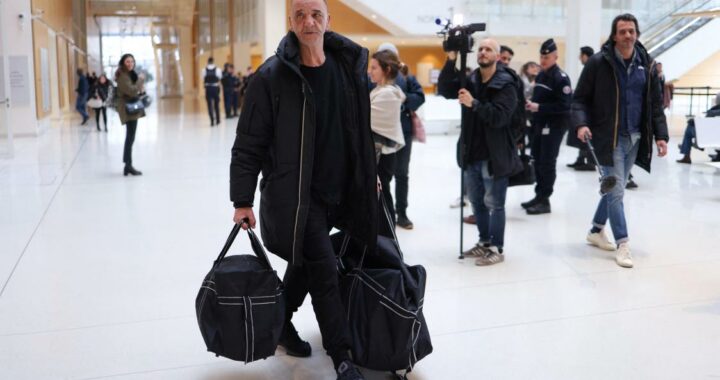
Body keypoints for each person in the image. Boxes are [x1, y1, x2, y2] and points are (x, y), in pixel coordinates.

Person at [229, 0, 377, 378]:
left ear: (329, 20)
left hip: (339, 190)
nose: (308, 21)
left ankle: (280, 326)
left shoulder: (347, 67)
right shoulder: (271, 78)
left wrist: (367, 172)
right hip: (296, 197)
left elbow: (358, 128)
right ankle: (341, 355)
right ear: (290, 22)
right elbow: (249, 143)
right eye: (300, 15)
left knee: (306, 263)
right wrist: (242, 199)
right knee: (324, 270)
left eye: (315, 14)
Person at [573, 13, 668, 268]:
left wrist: (661, 136)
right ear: (614, 36)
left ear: (636, 34)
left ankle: (595, 230)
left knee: (617, 188)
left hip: (636, 137)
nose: (628, 35)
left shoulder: (646, 64)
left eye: (632, 31)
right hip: (609, 137)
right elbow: (580, 98)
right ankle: (623, 243)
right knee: (616, 191)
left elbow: (656, 105)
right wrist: (581, 123)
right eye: (623, 31)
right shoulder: (598, 63)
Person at [438, 38, 520, 266]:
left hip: (494, 154)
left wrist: (474, 103)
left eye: (489, 49)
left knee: (495, 204)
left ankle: (497, 247)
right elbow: (444, 90)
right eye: (481, 49)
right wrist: (451, 59)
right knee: (477, 203)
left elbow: (501, 116)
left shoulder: (506, 83)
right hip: (471, 152)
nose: (483, 52)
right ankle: (484, 242)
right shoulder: (471, 78)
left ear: (497, 55)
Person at [376, 42, 425, 230]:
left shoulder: (407, 78)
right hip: (379, 136)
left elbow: (419, 97)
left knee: (402, 174)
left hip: (401, 134)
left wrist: (400, 103)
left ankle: (402, 213)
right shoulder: (372, 78)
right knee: (382, 176)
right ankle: (386, 213)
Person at [522, 39, 572, 215]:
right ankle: (539, 195)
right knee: (537, 159)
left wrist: (539, 107)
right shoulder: (541, 75)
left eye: (547, 57)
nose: (543, 60)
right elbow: (540, 98)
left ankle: (545, 200)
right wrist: (531, 105)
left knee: (547, 163)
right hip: (539, 125)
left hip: (554, 127)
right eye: (541, 56)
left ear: (555, 57)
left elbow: (565, 107)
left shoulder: (561, 79)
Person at [368, 49, 406, 225]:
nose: (370, 71)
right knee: (380, 198)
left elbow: (365, 119)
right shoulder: (382, 90)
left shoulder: (387, 94)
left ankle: (388, 240)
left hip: (381, 157)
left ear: (387, 70)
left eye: (374, 68)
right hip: (381, 155)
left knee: (382, 198)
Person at [115, 54, 146, 177]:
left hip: (131, 107)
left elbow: (135, 90)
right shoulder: (122, 76)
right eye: (128, 61)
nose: (130, 63)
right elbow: (132, 90)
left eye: (132, 61)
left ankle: (128, 165)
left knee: (130, 137)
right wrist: (140, 80)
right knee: (130, 137)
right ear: (123, 62)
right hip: (128, 109)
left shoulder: (129, 74)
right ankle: (128, 165)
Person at [567, 46, 597, 171]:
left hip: (591, 109)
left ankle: (590, 161)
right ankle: (581, 159)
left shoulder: (594, 67)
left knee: (587, 135)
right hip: (585, 109)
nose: (580, 58)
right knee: (582, 135)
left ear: (585, 55)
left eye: (581, 55)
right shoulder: (590, 67)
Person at [677, 92, 720, 164]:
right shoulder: (715, 111)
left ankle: (687, 153)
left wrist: (694, 121)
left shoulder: (714, 111)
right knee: (692, 125)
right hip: (713, 133)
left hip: (710, 135)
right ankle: (688, 147)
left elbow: (707, 119)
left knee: (690, 128)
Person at [202, 57, 222, 126]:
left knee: (209, 105)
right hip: (215, 88)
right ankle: (218, 120)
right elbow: (219, 78)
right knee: (216, 104)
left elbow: (203, 78)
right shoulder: (218, 69)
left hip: (208, 88)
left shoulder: (204, 70)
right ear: (213, 61)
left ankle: (212, 121)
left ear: (207, 62)